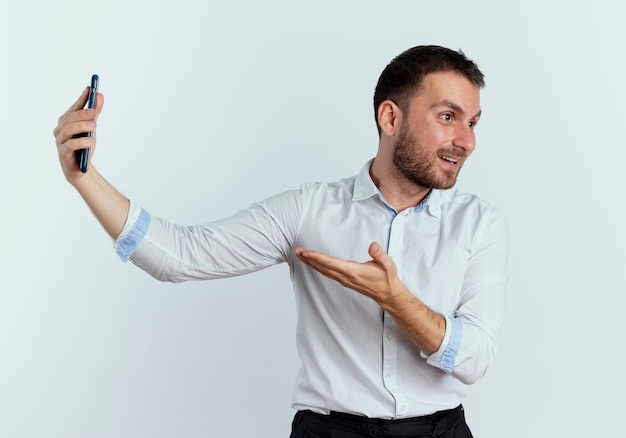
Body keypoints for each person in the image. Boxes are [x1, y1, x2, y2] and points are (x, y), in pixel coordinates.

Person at [54, 45, 508, 438]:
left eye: (473, 122)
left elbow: (474, 360)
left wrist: (396, 300)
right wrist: (84, 177)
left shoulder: (480, 225)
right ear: (390, 117)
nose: (466, 140)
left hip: (439, 430)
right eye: (448, 117)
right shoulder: (307, 210)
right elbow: (180, 256)